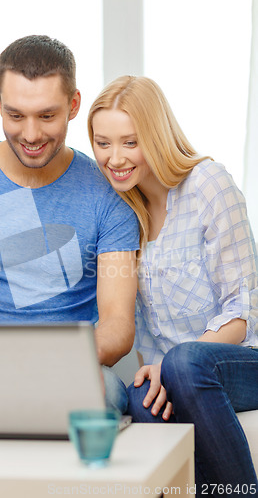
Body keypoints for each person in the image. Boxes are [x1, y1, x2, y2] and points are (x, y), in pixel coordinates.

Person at [0, 36, 140, 420]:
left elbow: (118, 326)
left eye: (47, 116)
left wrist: (44, 367)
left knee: (106, 394)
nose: (31, 134)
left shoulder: (108, 194)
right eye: (16, 115)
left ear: (73, 105)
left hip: (68, 373)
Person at [88, 75, 258, 496]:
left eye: (130, 142)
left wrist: (176, 362)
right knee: (140, 399)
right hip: (181, 373)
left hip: (240, 360)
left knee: (185, 363)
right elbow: (149, 334)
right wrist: (160, 369)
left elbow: (244, 307)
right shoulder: (124, 214)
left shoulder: (208, 184)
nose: (114, 158)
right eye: (102, 143)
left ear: (157, 135)